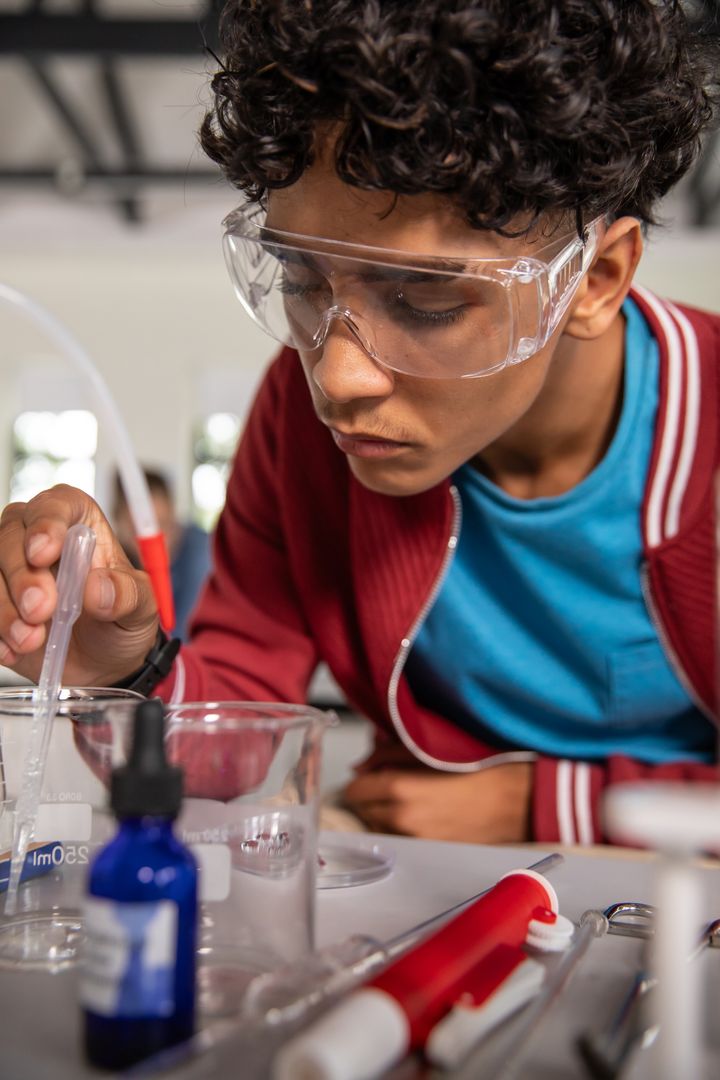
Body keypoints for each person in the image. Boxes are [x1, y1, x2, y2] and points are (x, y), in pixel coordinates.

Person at [1, 0, 719, 845]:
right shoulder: (299, 423)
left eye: (426, 302)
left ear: (594, 280)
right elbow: (230, 747)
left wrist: (546, 804)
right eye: (304, 282)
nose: (335, 378)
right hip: (427, 873)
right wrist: (125, 667)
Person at [111, 469, 212, 643]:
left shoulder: (202, 556)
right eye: (138, 529)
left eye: (163, 524)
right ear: (119, 524)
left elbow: (179, 644)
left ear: (173, 514)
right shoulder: (116, 560)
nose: (156, 540)